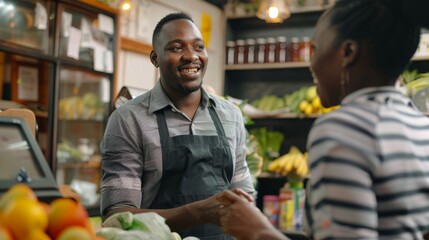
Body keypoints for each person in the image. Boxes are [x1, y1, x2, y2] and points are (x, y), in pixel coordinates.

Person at [217, 0, 429, 239]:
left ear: (348, 52)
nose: (311, 63)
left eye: (315, 48)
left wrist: (258, 231)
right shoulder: (421, 126)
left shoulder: (342, 129)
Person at [100, 12, 255, 239]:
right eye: (176, 48)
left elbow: (245, 196)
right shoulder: (128, 120)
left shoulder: (230, 115)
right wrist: (197, 213)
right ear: (155, 58)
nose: (191, 56)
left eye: (199, 47)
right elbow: (119, 217)